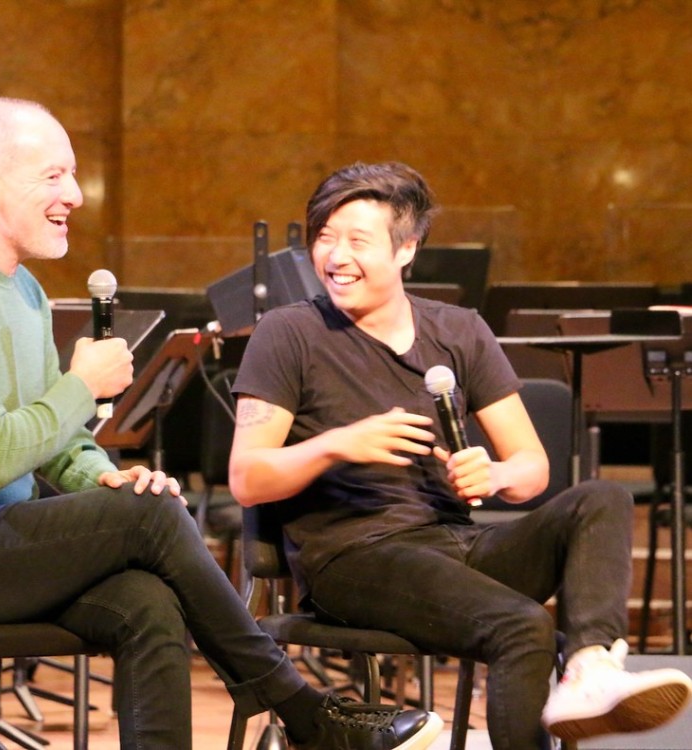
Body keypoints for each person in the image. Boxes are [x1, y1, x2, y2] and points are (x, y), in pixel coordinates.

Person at [0, 100, 443, 750]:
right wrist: (83, 385)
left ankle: (297, 718)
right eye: (52, 176)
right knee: (149, 524)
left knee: (146, 599)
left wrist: (107, 481)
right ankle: (305, 713)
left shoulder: (22, 290)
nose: (73, 194)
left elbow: (61, 444)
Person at [227, 160, 692, 749]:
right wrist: (337, 443)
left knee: (600, 498)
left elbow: (531, 469)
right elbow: (247, 478)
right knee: (522, 627)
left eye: (357, 241)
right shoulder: (288, 333)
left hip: (455, 543)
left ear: (406, 249)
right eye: (325, 238)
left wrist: (495, 472)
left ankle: (590, 666)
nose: (336, 257)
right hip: (353, 556)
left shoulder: (459, 329)